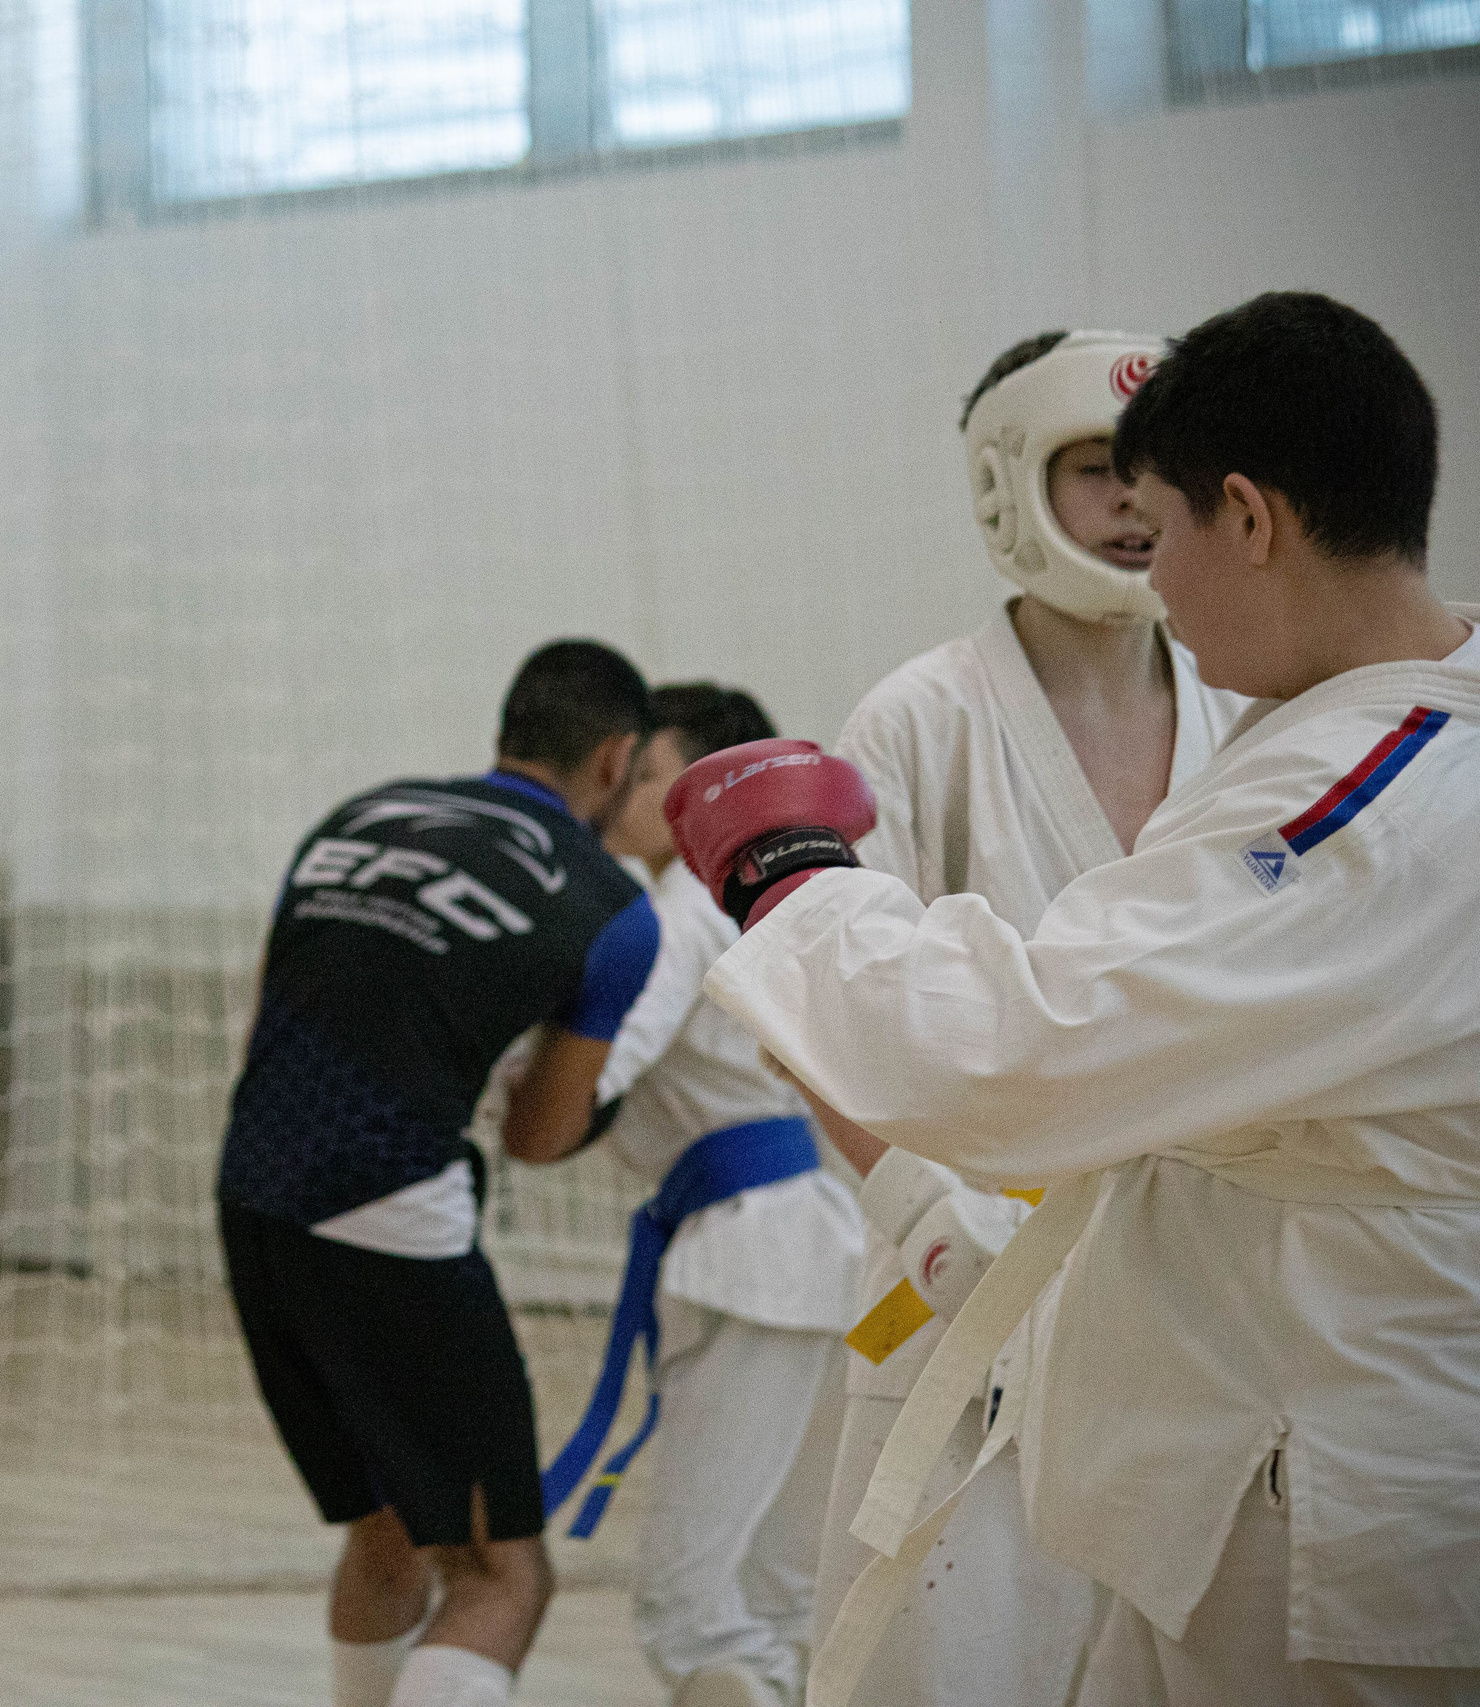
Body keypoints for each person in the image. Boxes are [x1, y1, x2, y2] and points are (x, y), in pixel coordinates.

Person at [675, 290, 1480, 1705]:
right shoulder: (1328, 725)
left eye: (1159, 517)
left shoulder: (1367, 791)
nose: (1146, 560)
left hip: (1318, 1455)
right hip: (1182, 1394)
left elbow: (1021, 1045)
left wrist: (790, 874)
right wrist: (928, 1214)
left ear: (1249, 515)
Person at [790, 326, 1250, 1707]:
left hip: (1198, 1293)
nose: (1130, 503)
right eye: (1093, 468)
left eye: (1151, 472)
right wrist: (920, 1208)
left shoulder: (1254, 711)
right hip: (964, 1279)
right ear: (1005, 484)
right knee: (944, 1659)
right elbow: (816, 993)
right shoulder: (920, 718)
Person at [218, 639, 663, 1707]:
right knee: (501, 1572)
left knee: (383, 1539)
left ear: (506, 734)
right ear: (612, 760)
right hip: (390, 1222)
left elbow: (275, 1020)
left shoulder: (358, 815)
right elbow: (536, 1137)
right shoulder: (612, 906)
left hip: (250, 1203)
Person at [557, 683, 865, 1707]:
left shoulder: (674, 915)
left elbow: (596, 1077)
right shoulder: (773, 902)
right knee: (779, 1591)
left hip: (749, 1253)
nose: (630, 791)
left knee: (688, 1608)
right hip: (824, 1247)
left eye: (652, 772)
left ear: (711, 787)